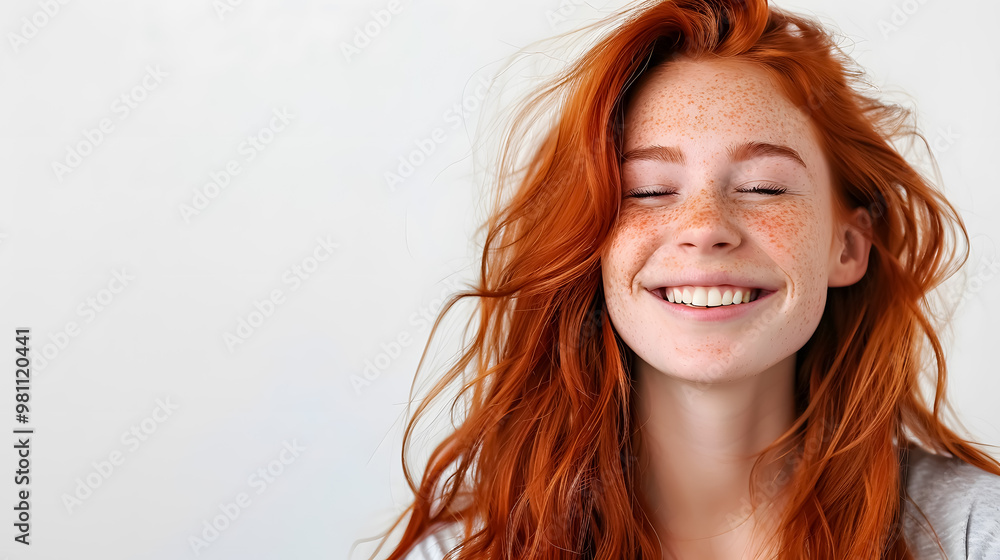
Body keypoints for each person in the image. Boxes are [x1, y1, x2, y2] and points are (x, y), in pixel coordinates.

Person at [371, 0, 1000, 558]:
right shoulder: (469, 551)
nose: (705, 227)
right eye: (646, 190)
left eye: (763, 187)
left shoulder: (976, 532)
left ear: (848, 246)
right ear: (588, 243)